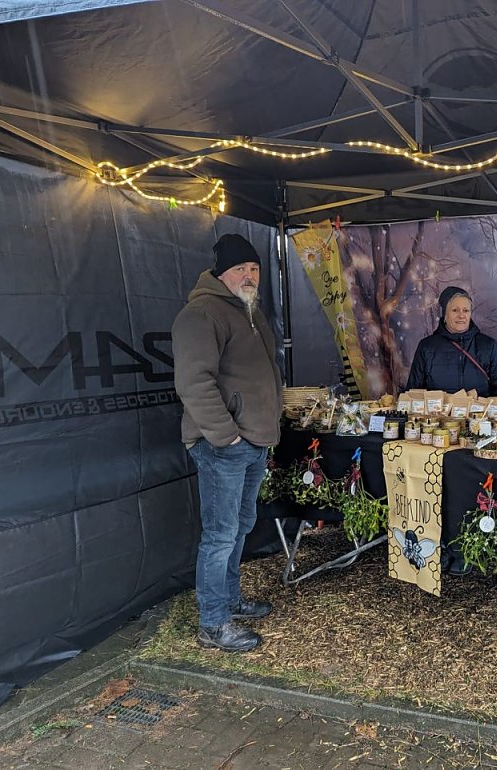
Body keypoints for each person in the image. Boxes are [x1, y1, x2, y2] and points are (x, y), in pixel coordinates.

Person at [172, 233, 283, 652]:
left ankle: (230, 601)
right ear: (221, 274)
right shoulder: (202, 313)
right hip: (223, 445)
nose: (250, 275)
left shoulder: (248, 310)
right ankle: (213, 623)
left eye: (254, 268)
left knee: (240, 526)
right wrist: (227, 436)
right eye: (241, 269)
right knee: (220, 534)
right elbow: (193, 382)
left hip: (252, 441)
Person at [405, 286, 497, 396]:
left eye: (466, 310)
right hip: (438, 408)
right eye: (455, 310)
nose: (461, 315)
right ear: (444, 314)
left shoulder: (488, 346)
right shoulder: (426, 347)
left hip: (479, 408)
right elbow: (413, 394)